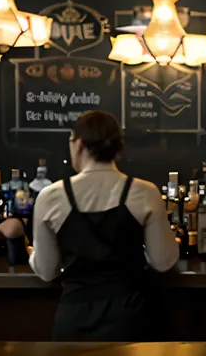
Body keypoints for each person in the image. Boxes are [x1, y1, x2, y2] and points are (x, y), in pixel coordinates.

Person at [29, 110, 179, 341]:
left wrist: (32, 254)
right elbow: (163, 261)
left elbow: (47, 271)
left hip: (74, 319)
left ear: (78, 144)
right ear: (117, 147)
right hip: (129, 319)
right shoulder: (144, 192)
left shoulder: (50, 196)